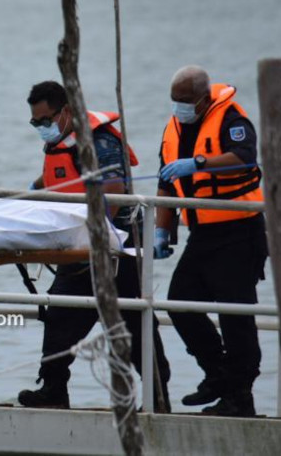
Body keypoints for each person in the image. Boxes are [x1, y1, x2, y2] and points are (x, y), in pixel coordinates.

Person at [17, 81, 171, 410]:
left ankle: (158, 397)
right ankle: (53, 389)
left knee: (133, 323)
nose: (42, 128)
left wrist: (95, 234)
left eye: (45, 120)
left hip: (118, 248)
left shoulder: (99, 140)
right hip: (76, 246)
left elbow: (113, 189)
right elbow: (61, 176)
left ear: (66, 111)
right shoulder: (59, 140)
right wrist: (33, 192)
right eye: (35, 123)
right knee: (59, 316)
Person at [157, 65, 268, 417]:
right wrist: (162, 230)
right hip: (201, 234)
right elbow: (165, 183)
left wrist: (198, 163)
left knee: (236, 315)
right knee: (180, 303)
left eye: (186, 102)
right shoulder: (173, 129)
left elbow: (243, 157)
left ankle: (240, 397)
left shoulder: (230, 118)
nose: (180, 108)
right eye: (175, 102)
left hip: (240, 231)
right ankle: (217, 374)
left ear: (204, 99)